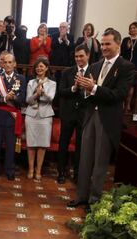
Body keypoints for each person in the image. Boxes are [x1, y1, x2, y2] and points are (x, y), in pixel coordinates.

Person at [69, 29, 135, 210]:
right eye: (103, 44)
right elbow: (88, 93)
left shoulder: (126, 67)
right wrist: (83, 87)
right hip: (90, 116)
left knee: (99, 162)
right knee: (85, 159)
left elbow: (118, 95)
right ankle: (81, 196)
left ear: (118, 44)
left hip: (107, 119)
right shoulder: (96, 65)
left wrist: (94, 88)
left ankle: (94, 200)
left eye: (108, 44)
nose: (104, 47)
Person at [0, 53, 26, 180]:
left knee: (11, 146)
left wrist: (14, 97)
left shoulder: (21, 78)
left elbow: (22, 98)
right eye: (5, 62)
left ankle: (10, 171)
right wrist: (5, 98)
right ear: (2, 64)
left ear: (15, 64)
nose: (8, 65)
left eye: (10, 62)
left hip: (12, 117)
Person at [57, 44, 90, 184]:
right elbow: (61, 92)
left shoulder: (94, 71)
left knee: (81, 146)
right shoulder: (67, 72)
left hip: (85, 114)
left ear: (88, 55)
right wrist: (74, 88)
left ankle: (77, 174)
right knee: (63, 144)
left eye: (81, 56)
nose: (78, 59)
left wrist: (87, 88)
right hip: (68, 113)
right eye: (76, 56)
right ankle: (61, 173)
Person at [24, 57, 56, 180]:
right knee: (31, 144)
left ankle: (38, 170)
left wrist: (42, 93)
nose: (39, 68)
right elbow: (28, 100)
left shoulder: (52, 83)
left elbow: (51, 98)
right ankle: (31, 169)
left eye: (41, 66)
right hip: (31, 115)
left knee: (42, 145)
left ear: (46, 68)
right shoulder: (31, 82)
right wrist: (36, 94)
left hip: (45, 116)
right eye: (37, 66)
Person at [121, 22, 137, 112]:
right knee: (123, 85)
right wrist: (127, 48)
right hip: (125, 66)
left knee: (131, 86)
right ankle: (122, 103)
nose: (132, 29)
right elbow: (122, 53)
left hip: (135, 66)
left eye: (134, 28)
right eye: (131, 28)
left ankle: (128, 104)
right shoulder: (126, 39)